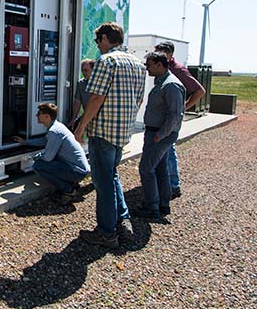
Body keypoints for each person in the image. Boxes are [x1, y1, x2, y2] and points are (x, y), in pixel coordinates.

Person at [74, 23, 146, 248]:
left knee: (103, 183)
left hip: (103, 132)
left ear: (105, 38)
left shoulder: (106, 62)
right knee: (111, 176)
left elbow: (96, 98)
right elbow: (139, 100)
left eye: (97, 41)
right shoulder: (138, 64)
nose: (97, 46)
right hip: (123, 132)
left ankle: (106, 233)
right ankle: (121, 220)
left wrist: (80, 127)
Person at [153, 41, 205, 199]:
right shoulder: (164, 69)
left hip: (171, 118)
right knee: (166, 150)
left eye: (160, 54)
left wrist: (184, 107)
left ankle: (173, 185)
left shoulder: (178, 70)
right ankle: (166, 182)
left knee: (169, 149)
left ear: (169, 55)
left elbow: (199, 91)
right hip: (163, 117)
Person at [137, 51, 186, 218]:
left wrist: (161, 135)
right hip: (156, 133)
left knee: (146, 168)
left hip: (159, 135)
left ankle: (152, 207)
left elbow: (175, 114)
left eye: (149, 65)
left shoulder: (170, 85)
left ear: (159, 65)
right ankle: (163, 204)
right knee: (160, 168)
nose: (147, 68)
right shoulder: (162, 83)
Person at [15, 103, 89, 205]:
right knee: (47, 163)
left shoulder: (54, 131)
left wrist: (36, 157)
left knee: (38, 166)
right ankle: (71, 183)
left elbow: (47, 158)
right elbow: (44, 141)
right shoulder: (57, 126)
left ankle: (68, 190)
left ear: (47, 116)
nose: (36, 115)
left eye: (39, 113)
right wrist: (25, 142)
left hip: (77, 171)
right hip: (78, 168)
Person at [67, 59, 96, 132]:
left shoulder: (100, 83)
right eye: (82, 70)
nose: (84, 73)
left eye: (86, 70)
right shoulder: (81, 84)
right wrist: (73, 118)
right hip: (87, 115)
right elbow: (77, 101)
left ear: (93, 70)